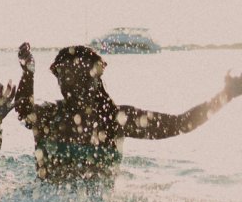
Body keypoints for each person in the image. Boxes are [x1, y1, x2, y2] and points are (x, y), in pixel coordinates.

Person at [15, 42, 242, 182]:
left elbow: (180, 124)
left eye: (77, 77)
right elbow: (25, 111)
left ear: (94, 80)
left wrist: (226, 95)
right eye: (63, 77)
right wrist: (28, 73)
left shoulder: (115, 120)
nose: (68, 85)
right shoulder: (52, 114)